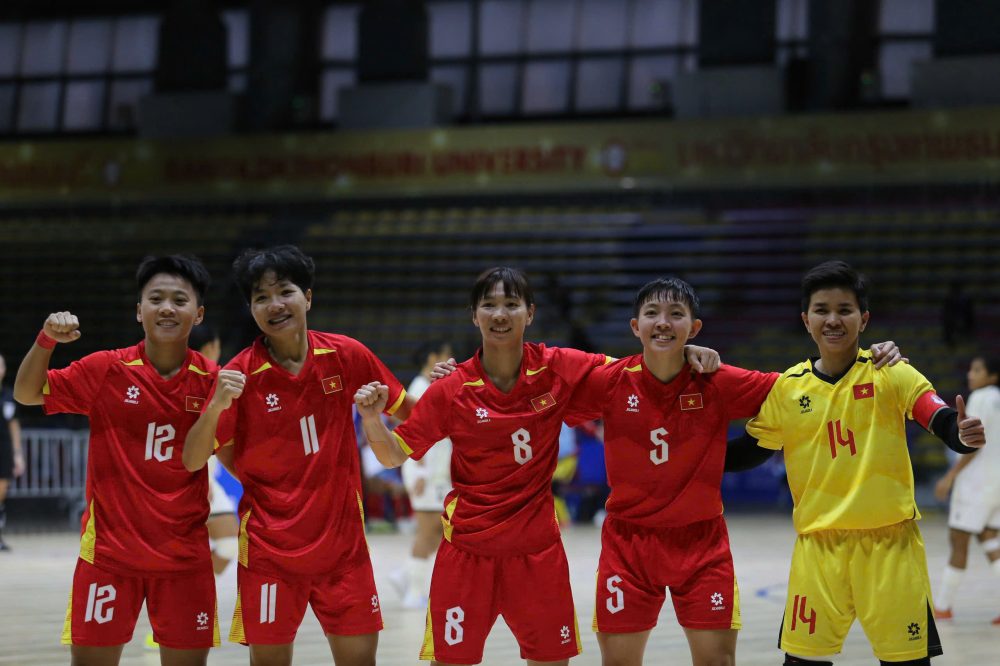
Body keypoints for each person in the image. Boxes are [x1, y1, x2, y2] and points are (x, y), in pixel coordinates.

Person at [354, 267, 721, 666]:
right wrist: (373, 419)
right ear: (473, 314)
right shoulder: (452, 389)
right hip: (467, 555)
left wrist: (681, 352)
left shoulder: (557, 366)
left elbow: (635, 368)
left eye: (511, 305)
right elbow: (391, 454)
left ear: (529, 313)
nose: (500, 315)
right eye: (489, 305)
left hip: (538, 556)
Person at [569, 277, 904, 666]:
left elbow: (807, 388)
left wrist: (870, 360)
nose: (663, 322)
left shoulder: (716, 380)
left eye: (676, 315)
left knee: (718, 663)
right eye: (652, 314)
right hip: (628, 544)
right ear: (634, 326)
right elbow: (545, 387)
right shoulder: (609, 382)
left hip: (702, 544)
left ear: (694, 328)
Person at [737, 260, 985, 665]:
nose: (833, 319)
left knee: (906, 662)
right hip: (819, 550)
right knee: (802, 663)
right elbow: (750, 450)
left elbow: (938, 418)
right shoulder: (788, 388)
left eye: (844, 310)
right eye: (822, 310)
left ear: (863, 318)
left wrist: (961, 434)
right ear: (806, 320)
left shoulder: (893, 373)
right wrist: (687, 457)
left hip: (891, 547)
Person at [182, 245, 415, 666]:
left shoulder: (347, 355)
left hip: (344, 552)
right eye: (260, 297)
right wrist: (218, 412)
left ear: (308, 296)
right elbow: (205, 457)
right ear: (250, 308)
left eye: (284, 291)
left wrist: (445, 386)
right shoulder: (239, 375)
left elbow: (415, 417)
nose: (274, 305)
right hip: (270, 554)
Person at [13, 255, 220, 666]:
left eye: (179, 300)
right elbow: (27, 392)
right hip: (109, 557)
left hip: (184, 560)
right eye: (155, 298)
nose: (166, 308)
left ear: (197, 314)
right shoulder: (107, 368)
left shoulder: (214, 381)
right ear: (138, 310)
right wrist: (46, 340)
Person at [933, 354, 1000, 624]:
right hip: (996, 482)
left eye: (977, 369)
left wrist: (950, 476)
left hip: (976, 482)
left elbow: (973, 443)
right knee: (990, 538)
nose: (971, 374)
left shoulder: (981, 398)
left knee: (958, 540)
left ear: (992, 376)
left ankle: (943, 606)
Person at [392, 340, 455, 609]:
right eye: (446, 356)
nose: (451, 360)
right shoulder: (419, 388)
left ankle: (404, 575)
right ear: (432, 358)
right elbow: (412, 432)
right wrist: (418, 471)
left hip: (436, 473)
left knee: (440, 532)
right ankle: (414, 591)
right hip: (424, 472)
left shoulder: (431, 386)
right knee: (428, 531)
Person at [0, 352, 25, 551]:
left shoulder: (9, 395)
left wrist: (17, 454)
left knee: (1, 493)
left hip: (4, 449)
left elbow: (14, 425)